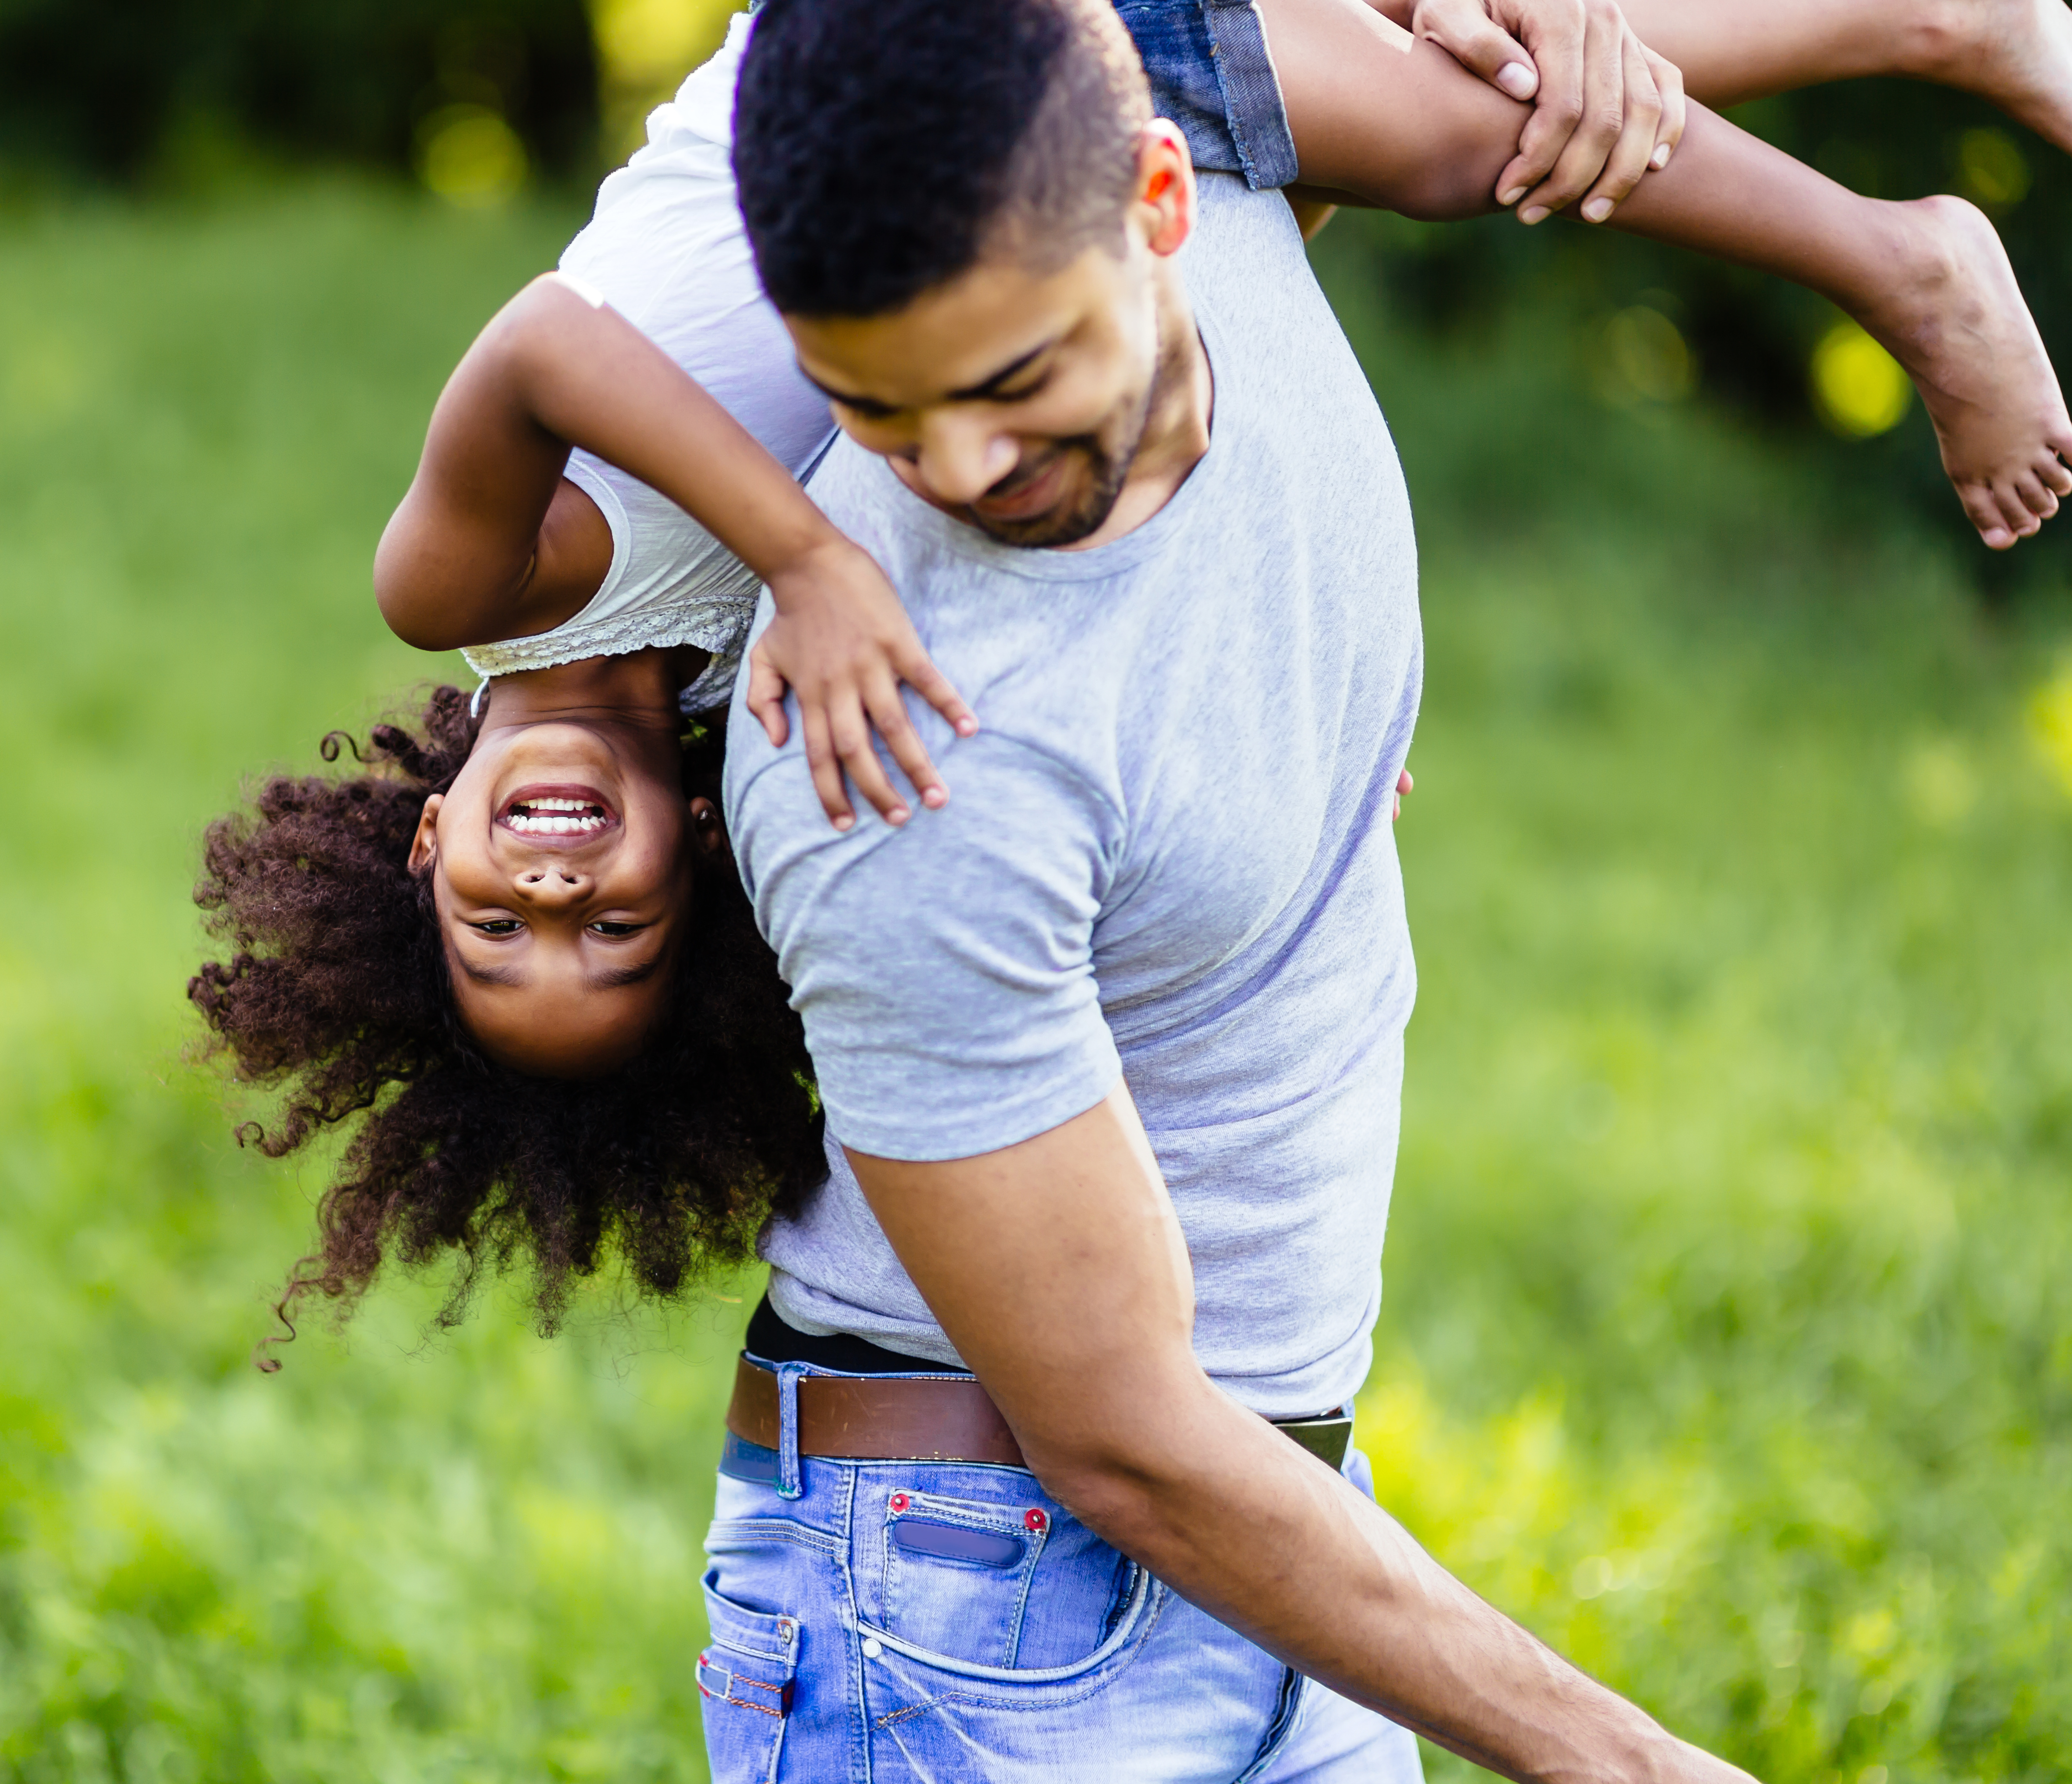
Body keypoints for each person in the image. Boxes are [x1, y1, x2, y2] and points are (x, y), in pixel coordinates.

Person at [193, 0, 2072, 1346]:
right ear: (688, 860)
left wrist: (812, 559)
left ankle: (1909, 208)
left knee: (1438, 121)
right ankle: (1939, 63)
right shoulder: (736, 689)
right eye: (609, 943)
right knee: (1440, 113)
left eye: (497, 932)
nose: (553, 899)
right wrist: (1279, 729)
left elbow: (541, 349)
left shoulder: (477, 592)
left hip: (905, 83)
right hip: (990, 174)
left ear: (432, 843)